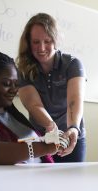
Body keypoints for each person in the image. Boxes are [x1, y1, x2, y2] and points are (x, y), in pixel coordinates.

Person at [16, 13, 86, 162]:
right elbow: (34, 105)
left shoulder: (72, 64)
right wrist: (50, 126)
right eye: (35, 42)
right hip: (41, 139)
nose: (41, 48)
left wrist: (73, 128)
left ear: (55, 40)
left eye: (47, 41)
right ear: (28, 42)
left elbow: (74, 100)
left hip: (71, 136)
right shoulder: (23, 70)